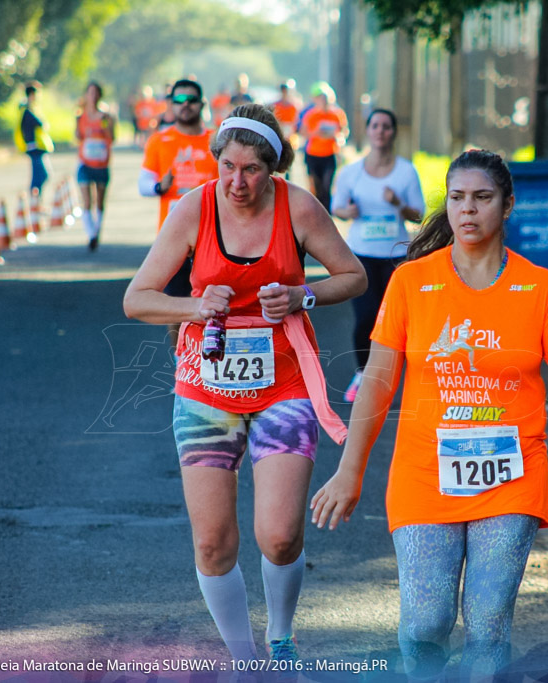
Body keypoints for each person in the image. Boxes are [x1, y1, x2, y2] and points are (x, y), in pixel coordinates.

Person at [310, 150, 548, 679]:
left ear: (508, 205)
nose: (468, 210)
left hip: (511, 477)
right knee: (425, 623)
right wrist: (350, 470)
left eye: (482, 198)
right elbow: (377, 382)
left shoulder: (541, 288)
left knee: (487, 622)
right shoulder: (412, 283)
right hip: (422, 476)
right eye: (457, 198)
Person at [123, 104, 367, 665]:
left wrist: (303, 295)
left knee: (279, 535)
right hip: (205, 389)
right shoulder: (194, 208)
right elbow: (137, 299)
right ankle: (242, 657)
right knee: (212, 543)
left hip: (285, 384)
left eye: (252, 169)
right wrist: (192, 304)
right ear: (216, 163)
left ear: (274, 166)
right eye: (227, 167)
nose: (237, 182)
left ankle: (281, 636)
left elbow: (354, 275)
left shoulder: (298, 207)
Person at [331, 108, 424, 402]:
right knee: (366, 317)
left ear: (393, 132)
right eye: (375, 126)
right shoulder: (352, 172)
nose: (381, 131)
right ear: (368, 131)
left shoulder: (406, 171)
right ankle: (363, 374)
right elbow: (336, 207)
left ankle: (396, 378)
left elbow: (419, 214)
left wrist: (398, 203)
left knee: (397, 322)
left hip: (396, 256)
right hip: (362, 254)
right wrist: (349, 211)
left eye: (386, 126)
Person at [138, 79, 219, 303]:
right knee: (175, 301)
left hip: (214, 235)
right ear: (171, 105)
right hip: (173, 235)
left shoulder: (218, 140)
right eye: (179, 100)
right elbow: (143, 183)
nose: (185, 105)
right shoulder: (159, 140)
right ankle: (177, 341)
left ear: (202, 104)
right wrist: (159, 187)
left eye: (191, 100)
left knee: (215, 302)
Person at [75, 81, 117, 251]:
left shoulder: (106, 117)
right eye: (89, 93)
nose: (92, 96)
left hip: (101, 164)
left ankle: (96, 232)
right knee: (86, 201)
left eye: (95, 93)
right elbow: (78, 136)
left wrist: (104, 124)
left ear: (100, 96)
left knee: (99, 202)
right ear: (86, 95)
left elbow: (112, 137)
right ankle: (91, 234)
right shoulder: (80, 117)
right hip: (85, 163)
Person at [299, 81, 348, 210]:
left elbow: (343, 132)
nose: (324, 101)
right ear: (316, 100)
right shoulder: (311, 115)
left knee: (327, 186)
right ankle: (316, 211)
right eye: (321, 98)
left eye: (326, 98)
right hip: (313, 154)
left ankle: (327, 213)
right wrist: (316, 132)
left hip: (330, 154)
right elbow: (303, 133)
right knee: (316, 186)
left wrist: (338, 138)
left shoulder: (337, 114)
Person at [18, 81, 53, 196]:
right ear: (32, 94)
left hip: (37, 147)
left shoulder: (31, 108)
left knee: (40, 175)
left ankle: (37, 200)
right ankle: (35, 200)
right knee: (41, 175)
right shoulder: (27, 111)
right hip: (34, 147)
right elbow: (39, 124)